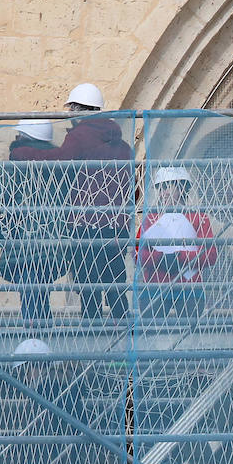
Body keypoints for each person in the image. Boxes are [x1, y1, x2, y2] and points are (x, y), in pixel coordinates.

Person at [53, 82, 134, 320]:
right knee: (114, 280)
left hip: (85, 224)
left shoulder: (79, 137)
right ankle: (123, 329)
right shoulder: (124, 146)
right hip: (116, 225)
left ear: (78, 110)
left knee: (88, 283)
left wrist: (24, 154)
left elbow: (60, 164)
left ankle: (93, 332)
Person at [0, 120, 68, 323]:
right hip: (53, 246)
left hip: (25, 245)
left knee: (30, 298)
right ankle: (42, 341)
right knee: (41, 295)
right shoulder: (60, 163)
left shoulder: (18, 160)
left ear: (23, 137)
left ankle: (35, 344)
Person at [134, 166, 217, 320]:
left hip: (189, 287)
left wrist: (178, 258)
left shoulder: (198, 217)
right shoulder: (150, 218)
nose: (163, 193)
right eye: (160, 188)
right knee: (152, 334)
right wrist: (161, 259)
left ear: (181, 188)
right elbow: (137, 254)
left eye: (167, 187)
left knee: (189, 334)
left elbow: (211, 255)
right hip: (155, 286)